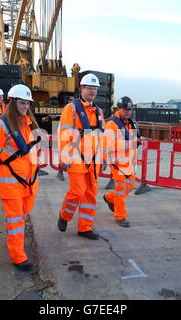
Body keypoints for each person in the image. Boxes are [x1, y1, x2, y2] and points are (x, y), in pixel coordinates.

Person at [0, 84, 41, 272]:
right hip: (11, 182)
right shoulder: (0, 125)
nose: (25, 106)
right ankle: (18, 257)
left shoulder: (27, 122)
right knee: (15, 220)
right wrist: (7, 168)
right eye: (22, 103)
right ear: (12, 102)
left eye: (27, 103)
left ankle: (14, 243)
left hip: (27, 181)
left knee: (23, 215)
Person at [57, 74, 107, 240]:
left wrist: (104, 157)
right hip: (76, 158)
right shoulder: (71, 109)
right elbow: (64, 134)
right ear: (81, 89)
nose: (92, 91)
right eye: (89, 88)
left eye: (95, 88)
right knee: (77, 191)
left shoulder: (98, 111)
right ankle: (64, 215)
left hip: (94, 160)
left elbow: (102, 137)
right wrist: (64, 158)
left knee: (90, 194)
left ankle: (85, 227)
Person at [103, 96, 141, 227]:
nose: (128, 112)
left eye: (130, 109)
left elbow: (135, 140)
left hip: (128, 162)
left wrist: (138, 142)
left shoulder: (131, 123)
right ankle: (120, 216)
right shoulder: (111, 125)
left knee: (130, 185)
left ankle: (109, 198)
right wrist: (130, 144)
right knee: (121, 188)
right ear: (118, 109)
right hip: (117, 163)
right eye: (125, 109)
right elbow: (109, 146)